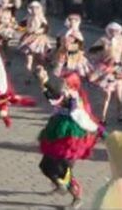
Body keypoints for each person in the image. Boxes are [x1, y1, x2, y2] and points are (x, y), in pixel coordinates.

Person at [35, 68, 102, 208]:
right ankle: (60, 185)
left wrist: (45, 81)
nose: (62, 85)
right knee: (45, 165)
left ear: (72, 85)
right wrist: (43, 81)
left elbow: (58, 97)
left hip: (70, 137)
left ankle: (76, 197)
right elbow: (53, 97)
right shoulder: (66, 94)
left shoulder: (72, 98)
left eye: (65, 83)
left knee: (63, 169)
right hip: (57, 132)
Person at [89, 22, 122, 123]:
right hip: (107, 70)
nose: (114, 32)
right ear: (108, 30)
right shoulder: (103, 40)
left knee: (119, 94)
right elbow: (92, 52)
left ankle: (120, 114)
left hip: (118, 69)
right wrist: (100, 62)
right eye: (112, 30)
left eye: (116, 31)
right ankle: (103, 117)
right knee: (107, 95)